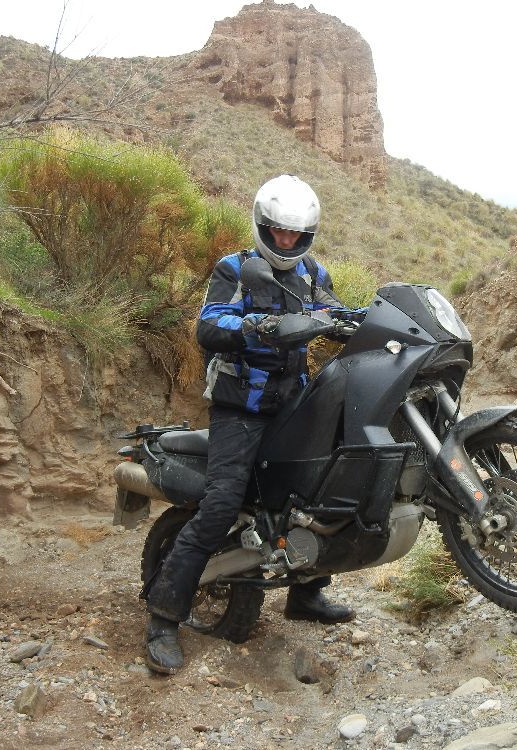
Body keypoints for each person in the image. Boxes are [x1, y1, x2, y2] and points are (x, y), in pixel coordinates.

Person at [143, 174, 355, 675]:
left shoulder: (312, 272)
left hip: (293, 402)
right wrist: (255, 326)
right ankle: (163, 619)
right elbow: (209, 324)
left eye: (295, 233)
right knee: (220, 505)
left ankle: (306, 595)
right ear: (262, 225)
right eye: (278, 230)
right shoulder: (234, 268)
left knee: (316, 493)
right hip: (240, 407)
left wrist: (360, 319)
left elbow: (330, 310)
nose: (286, 240)